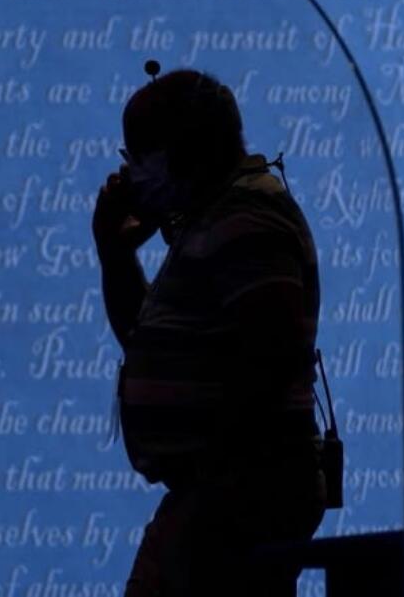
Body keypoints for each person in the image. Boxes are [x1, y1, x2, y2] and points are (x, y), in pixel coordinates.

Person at [92, 67, 326, 596]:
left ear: (181, 153)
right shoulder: (212, 219)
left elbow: (270, 359)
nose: (130, 175)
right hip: (216, 494)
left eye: (139, 157)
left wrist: (220, 477)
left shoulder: (246, 217)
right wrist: (115, 253)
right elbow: (146, 337)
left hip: (237, 498)